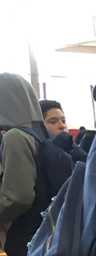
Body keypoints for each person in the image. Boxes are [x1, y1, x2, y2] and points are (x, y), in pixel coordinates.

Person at [0, 73, 49, 256]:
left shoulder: (15, 137)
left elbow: (18, 198)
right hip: (45, 229)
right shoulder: (39, 132)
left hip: (27, 235)